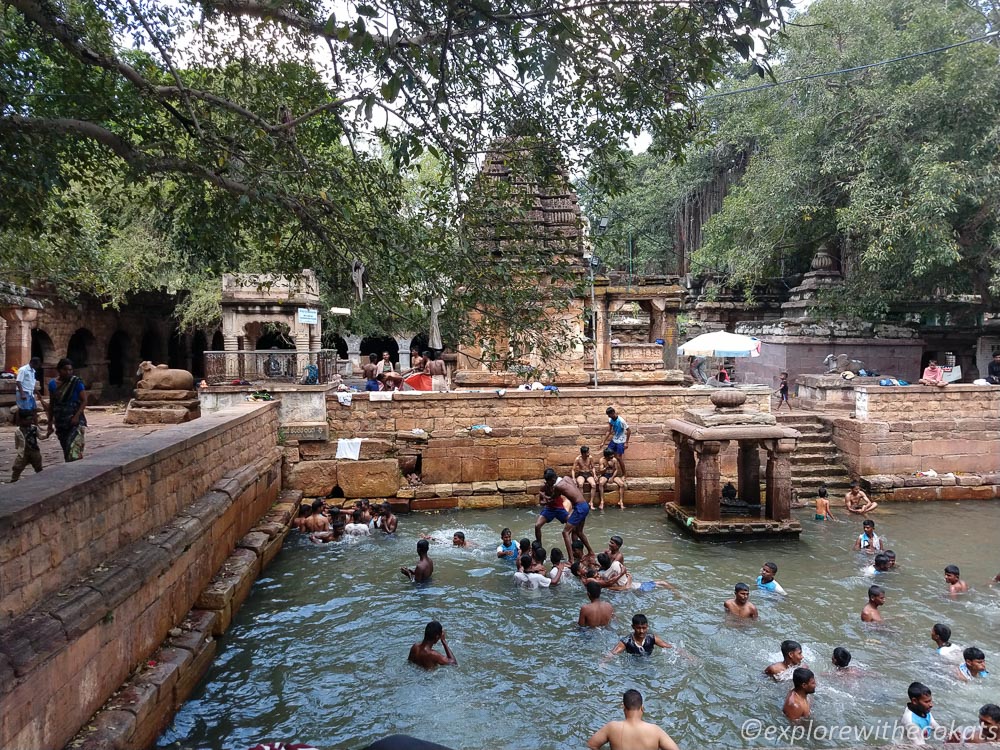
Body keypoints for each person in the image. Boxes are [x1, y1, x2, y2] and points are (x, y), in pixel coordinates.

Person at [586, 689, 680, 750]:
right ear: (642, 708)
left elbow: (592, 745)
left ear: (624, 707)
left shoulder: (612, 727)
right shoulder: (655, 730)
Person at [46, 357, 87, 463]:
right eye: (65, 369)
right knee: (66, 450)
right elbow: (52, 404)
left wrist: (76, 416)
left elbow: (84, 400)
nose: (68, 372)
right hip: (61, 421)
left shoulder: (76, 382)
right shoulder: (52, 384)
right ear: (59, 370)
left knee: (74, 450)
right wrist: (49, 423)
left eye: (70, 370)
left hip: (75, 421)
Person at [535, 468, 573, 545]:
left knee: (573, 523)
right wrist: (545, 501)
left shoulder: (558, 485)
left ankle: (574, 544)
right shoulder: (544, 487)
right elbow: (541, 502)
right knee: (537, 526)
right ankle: (539, 545)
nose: (553, 482)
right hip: (549, 509)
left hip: (560, 509)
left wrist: (547, 497)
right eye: (551, 481)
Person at [10, 406, 44, 482]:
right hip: (23, 452)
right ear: (22, 420)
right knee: (17, 467)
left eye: (31, 419)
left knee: (38, 466)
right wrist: (18, 449)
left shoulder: (34, 428)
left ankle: (42, 479)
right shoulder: (18, 431)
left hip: (34, 450)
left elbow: (40, 436)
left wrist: (47, 435)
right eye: (28, 420)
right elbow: (17, 441)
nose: (30, 421)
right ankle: (14, 480)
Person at [602, 406, 631, 479]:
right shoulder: (610, 419)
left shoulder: (621, 421)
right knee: (607, 454)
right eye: (608, 415)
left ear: (613, 413)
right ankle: (607, 473)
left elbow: (629, 431)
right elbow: (609, 431)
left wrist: (626, 442)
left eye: (609, 415)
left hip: (621, 440)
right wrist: (603, 442)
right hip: (615, 439)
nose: (609, 416)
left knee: (618, 457)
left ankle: (624, 474)